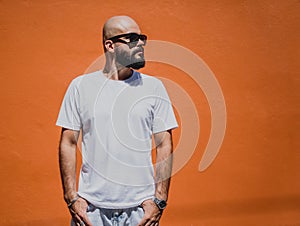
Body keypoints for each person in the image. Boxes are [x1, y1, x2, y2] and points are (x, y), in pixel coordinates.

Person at [56, 15, 178, 226]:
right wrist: (71, 197)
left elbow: (164, 142)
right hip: (91, 211)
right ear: (110, 45)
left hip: (141, 211)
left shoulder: (153, 87)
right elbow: (68, 142)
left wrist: (159, 200)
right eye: (132, 38)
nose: (140, 43)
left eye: (142, 38)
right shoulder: (80, 87)